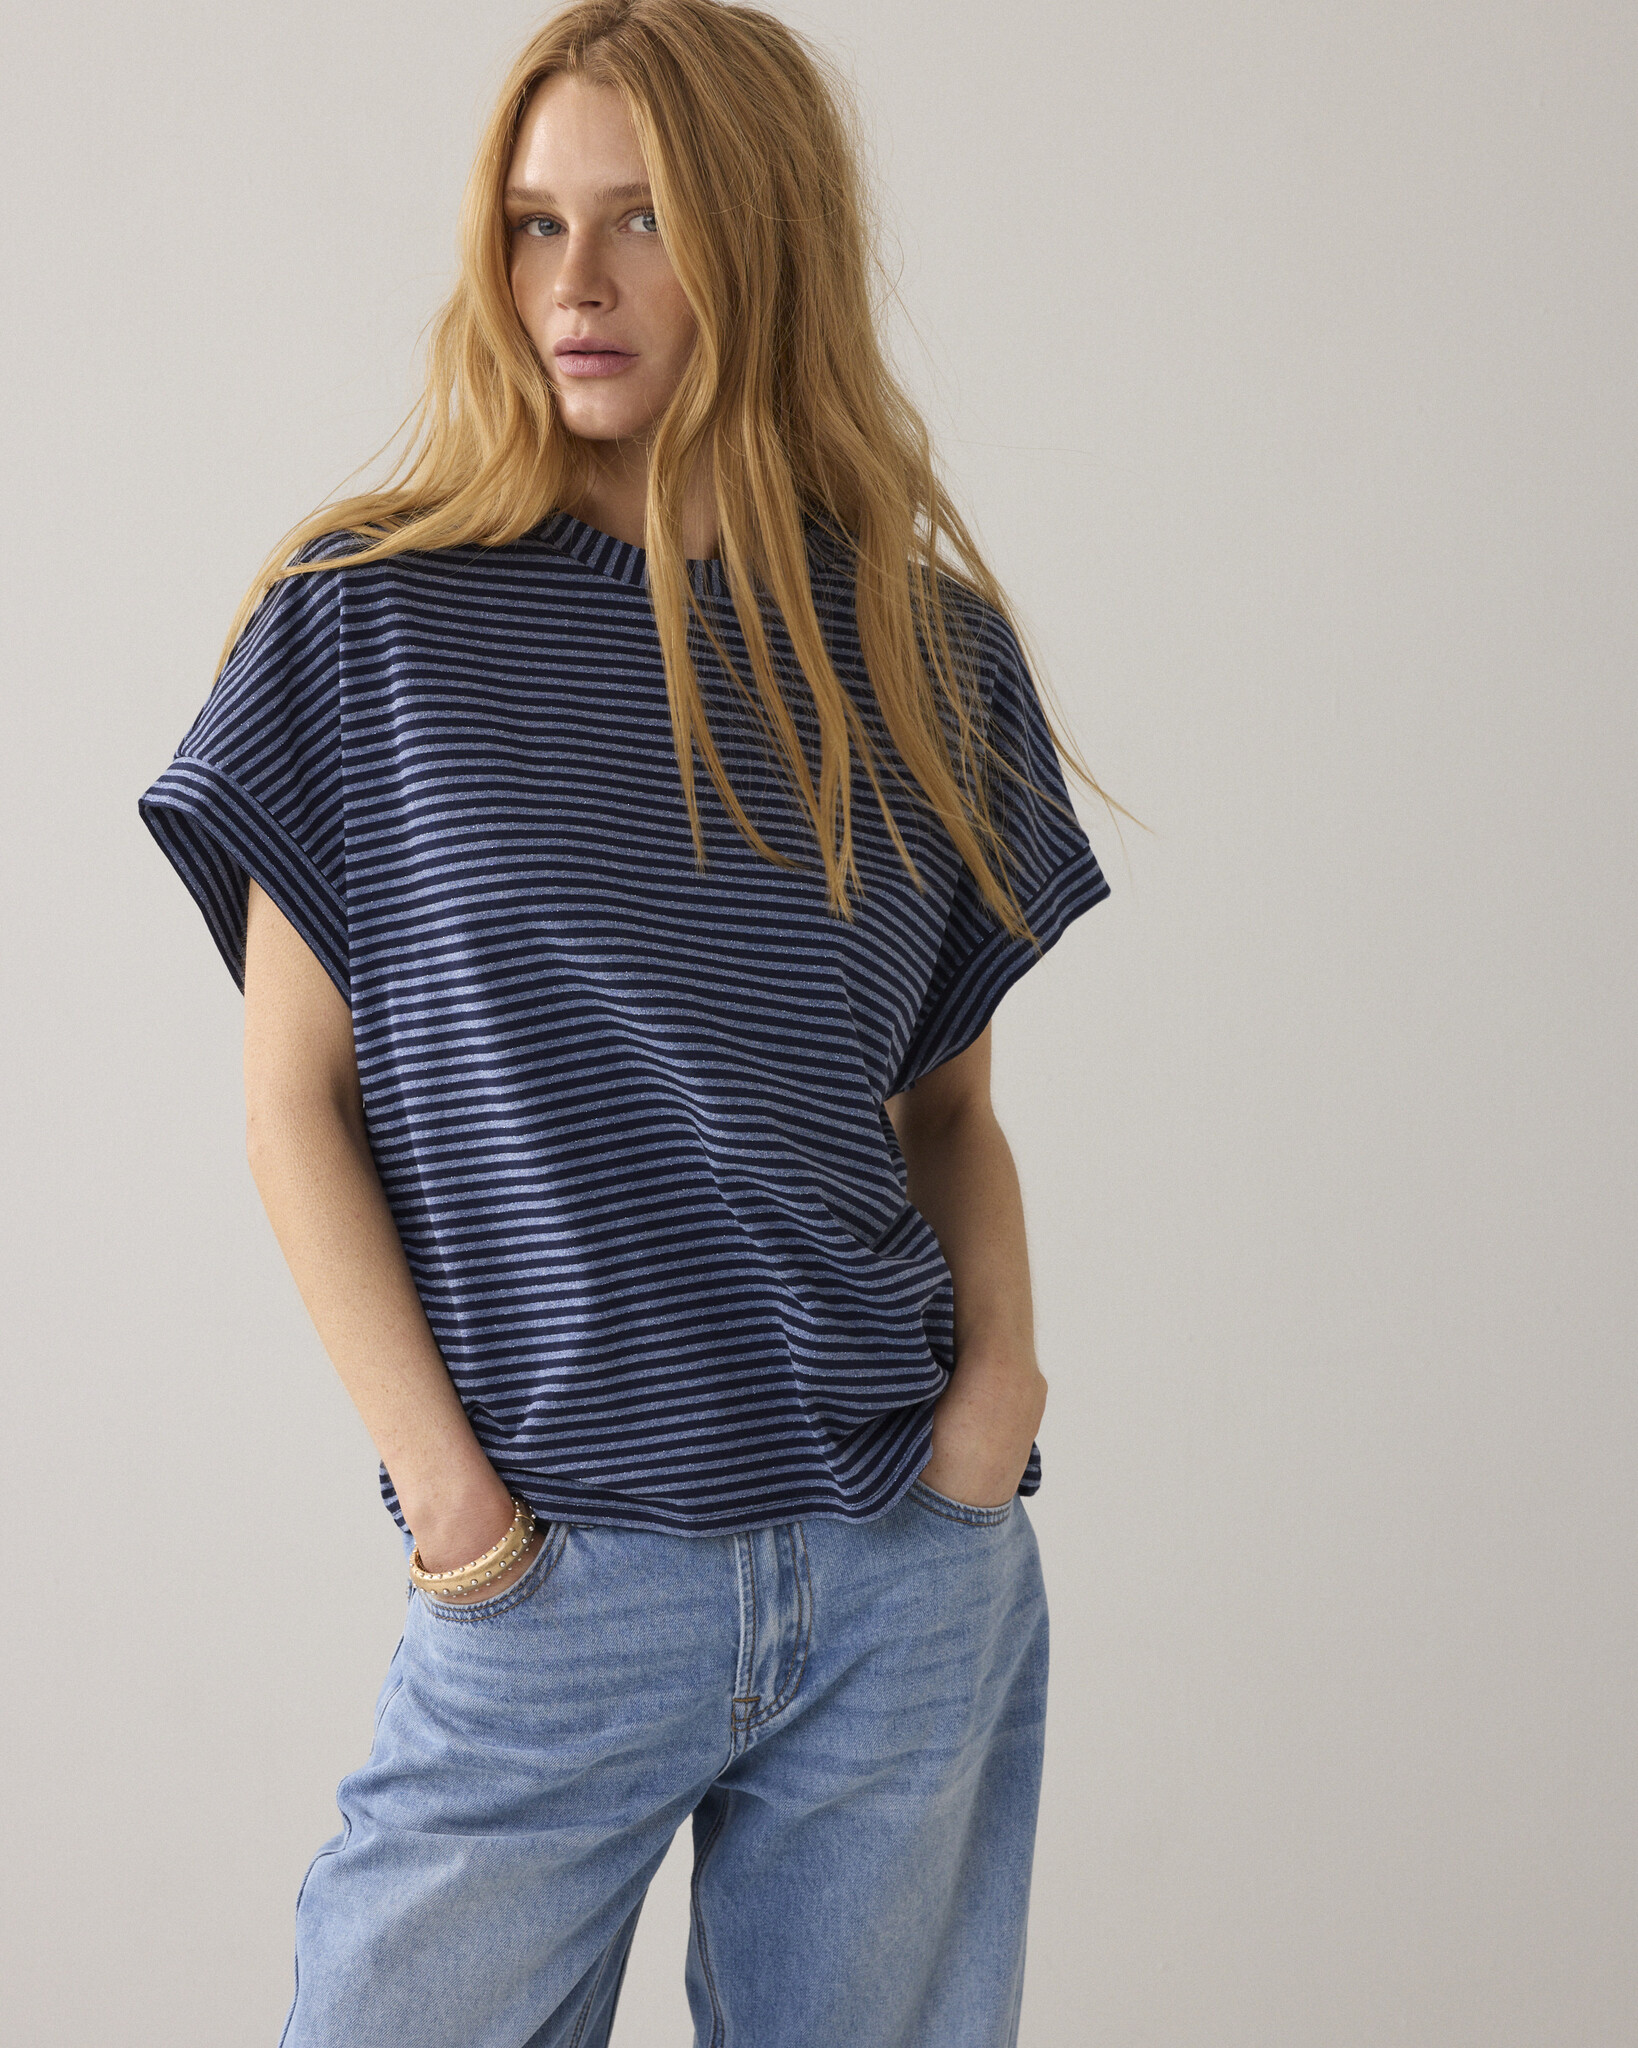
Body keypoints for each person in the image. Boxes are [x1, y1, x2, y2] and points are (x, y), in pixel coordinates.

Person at [139, 3, 1115, 2041]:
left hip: (901, 1565)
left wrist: (995, 1404)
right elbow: (292, 1104)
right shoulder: (367, 618)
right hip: (551, 1577)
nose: (571, 282)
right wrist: (454, 1508)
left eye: (643, 217)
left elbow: (943, 1113)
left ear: (767, 238)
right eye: (532, 221)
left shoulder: (922, 650)